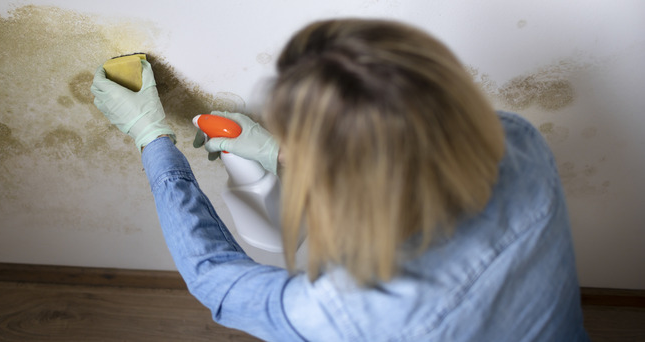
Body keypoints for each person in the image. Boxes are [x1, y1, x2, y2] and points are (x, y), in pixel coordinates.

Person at [91, 19, 589, 341]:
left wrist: (151, 135)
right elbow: (406, 161)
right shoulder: (516, 143)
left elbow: (215, 280)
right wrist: (277, 151)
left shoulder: (350, 310)